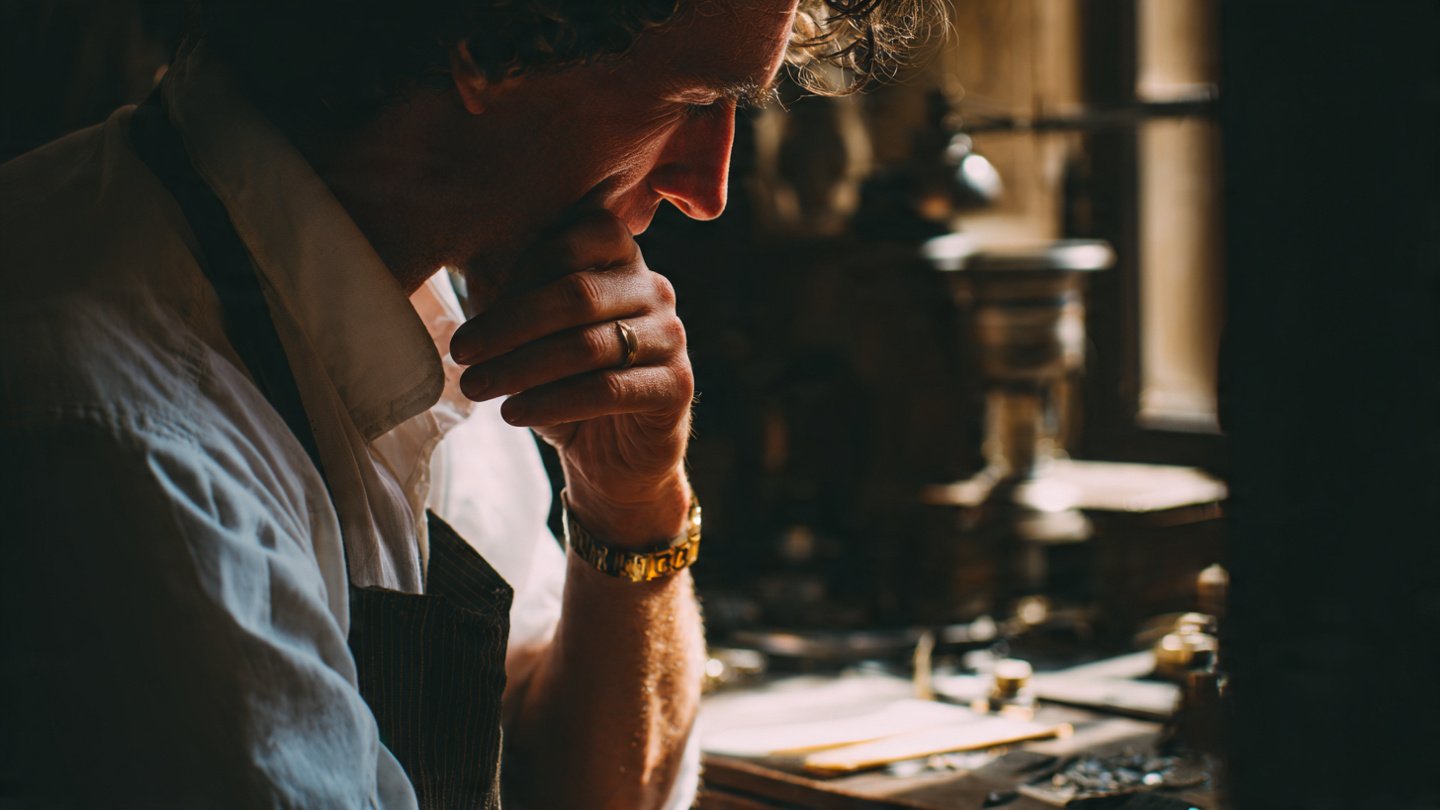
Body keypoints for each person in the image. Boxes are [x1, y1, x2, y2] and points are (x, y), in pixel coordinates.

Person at [0, 0, 936, 807]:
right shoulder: (119, 443)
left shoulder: (444, 311)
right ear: (490, 41)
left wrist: (632, 507)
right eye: (691, 104)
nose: (706, 189)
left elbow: (576, 781)